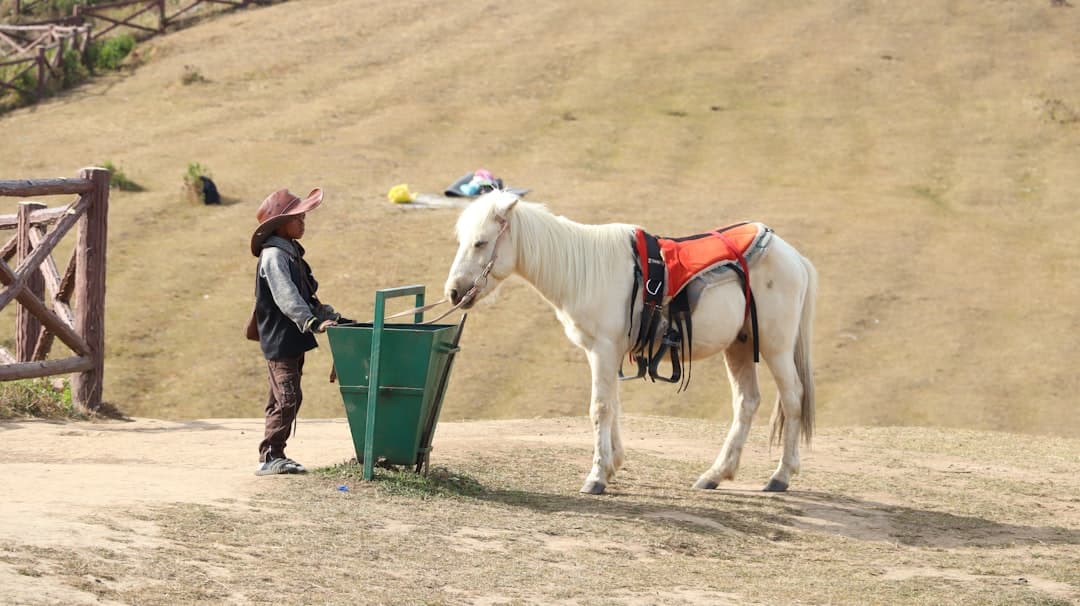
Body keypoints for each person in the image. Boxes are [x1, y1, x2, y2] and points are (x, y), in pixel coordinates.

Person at [249, 187, 349, 476]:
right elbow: (287, 297)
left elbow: (307, 297)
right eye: (298, 218)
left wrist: (330, 317)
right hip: (281, 338)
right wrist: (312, 323)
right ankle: (270, 456)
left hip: (291, 338)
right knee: (288, 397)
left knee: (282, 397)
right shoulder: (274, 256)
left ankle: (275, 453)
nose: (303, 221)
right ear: (280, 225)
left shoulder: (291, 253)